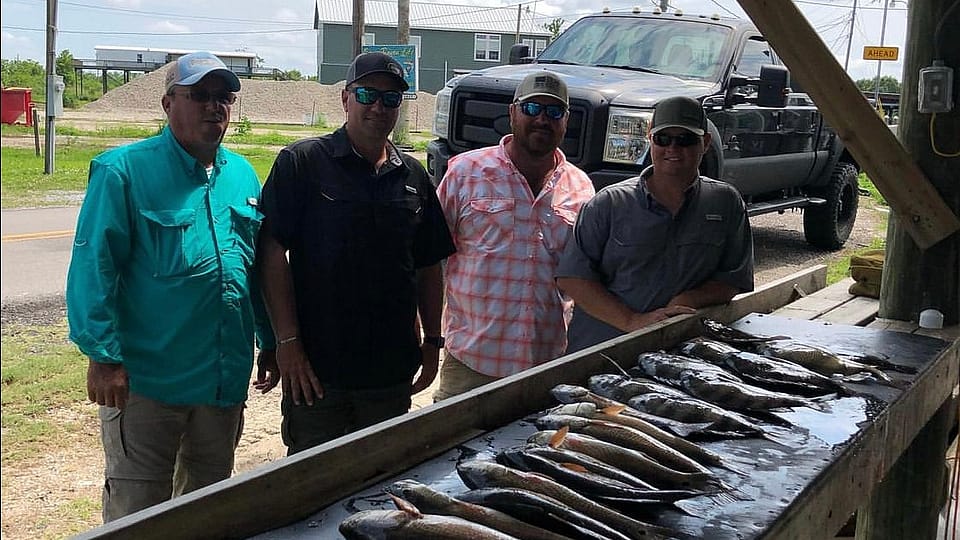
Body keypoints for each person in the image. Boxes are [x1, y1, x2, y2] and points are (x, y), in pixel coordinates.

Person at [66, 51, 276, 522]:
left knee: (206, 506)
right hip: (147, 382)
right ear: (167, 103)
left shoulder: (242, 174)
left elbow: (251, 270)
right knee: (138, 512)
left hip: (222, 379)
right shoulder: (123, 171)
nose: (213, 107)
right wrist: (102, 356)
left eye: (223, 97)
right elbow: (92, 267)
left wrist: (269, 340)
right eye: (198, 95)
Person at [257, 52, 455, 455]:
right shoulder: (303, 163)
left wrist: (433, 342)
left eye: (391, 99)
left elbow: (429, 265)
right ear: (346, 99)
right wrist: (287, 343)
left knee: (380, 490)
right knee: (311, 489)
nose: (378, 107)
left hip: (389, 374)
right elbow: (271, 249)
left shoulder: (413, 176)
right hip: (316, 372)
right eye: (367, 94)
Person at [433, 71, 595, 401]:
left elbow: (584, 277)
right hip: (471, 366)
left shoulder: (581, 188)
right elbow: (427, 260)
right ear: (512, 113)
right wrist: (427, 336)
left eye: (554, 112)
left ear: (566, 120)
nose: (542, 120)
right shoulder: (465, 173)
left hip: (547, 367)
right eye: (532, 109)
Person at [556, 95, 754, 353]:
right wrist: (632, 321)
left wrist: (690, 299)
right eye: (663, 139)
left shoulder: (726, 203)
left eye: (685, 139)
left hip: (680, 351)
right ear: (650, 139)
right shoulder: (608, 203)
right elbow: (572, 279)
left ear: (705, 143)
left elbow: (732, 279)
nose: (673, 148)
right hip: (600, 352)